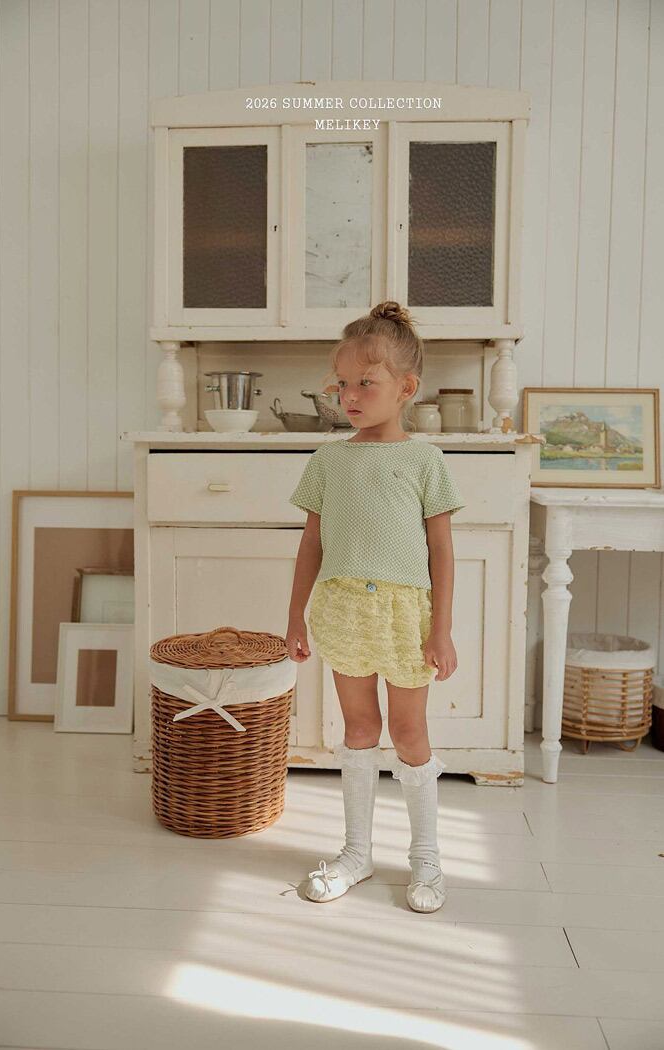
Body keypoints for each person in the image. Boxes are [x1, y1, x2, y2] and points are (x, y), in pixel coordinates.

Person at [285, 300, 465, 914]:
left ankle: (426, 857)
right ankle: (356, 852)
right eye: (342, 384)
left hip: (406, 617)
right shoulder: (328, 460)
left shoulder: (425, 460)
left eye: (366, 382)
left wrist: (442, 630)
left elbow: (442, 551)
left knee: (409, 732)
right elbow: (311, 544)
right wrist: (295, 617)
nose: (350, 396)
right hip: (342, 610)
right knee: (359, 730)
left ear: (406, 388)